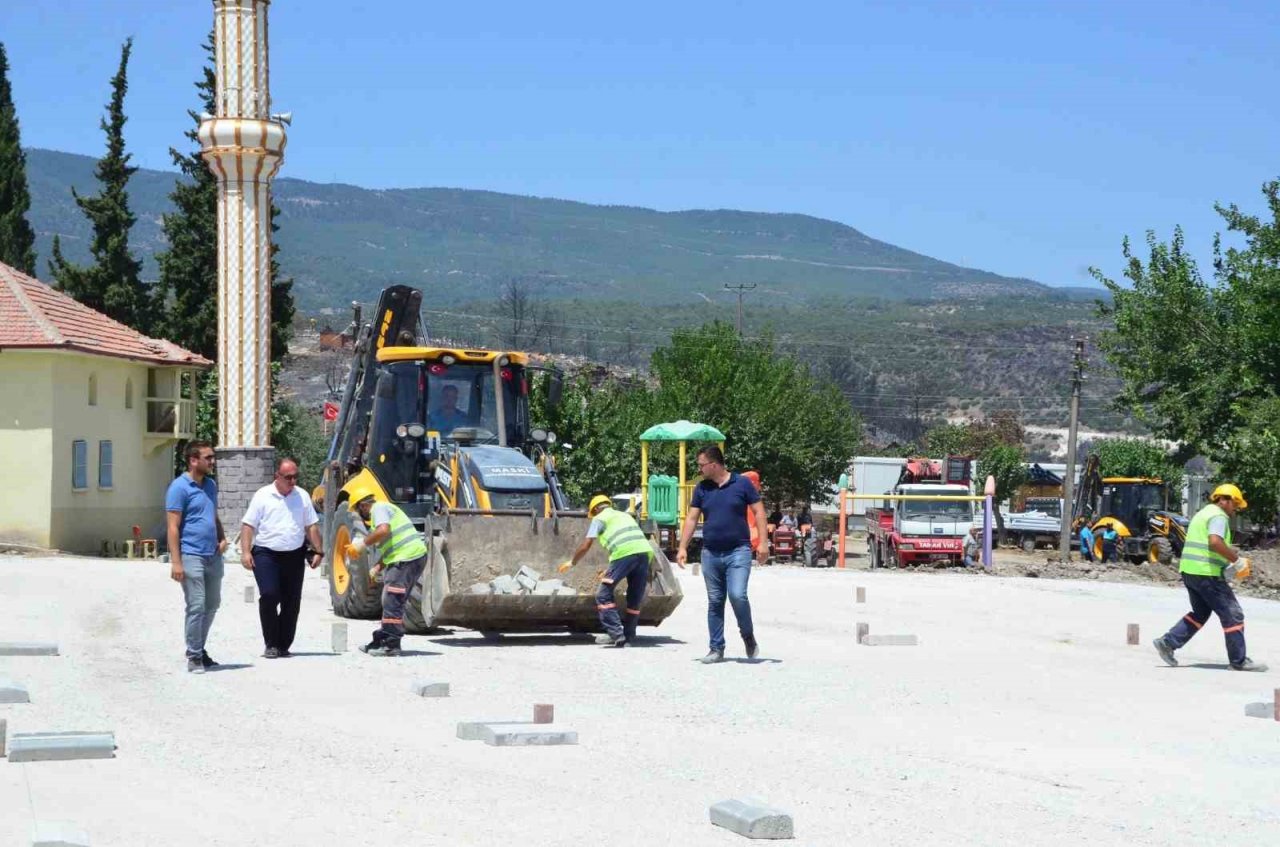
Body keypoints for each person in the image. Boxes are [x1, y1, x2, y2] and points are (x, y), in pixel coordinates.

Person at [1153, 484, 1266, 672]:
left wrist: (1226, 566)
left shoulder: (1203, 513)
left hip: (1190, 571)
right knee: (1233, 614)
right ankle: (1239, 661)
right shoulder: (1218, 516)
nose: (1235, 509)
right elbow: (1214, 542)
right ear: (1225, 500)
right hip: (1206, 574)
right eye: (1235, 504)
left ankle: (1168, 643)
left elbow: (1205, 546)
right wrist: (1237, 561)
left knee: (1200, 614)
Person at [676, 445, 769, 664]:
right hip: (710, 553)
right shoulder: (702, 488)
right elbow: (691, 518)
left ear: (714, 464)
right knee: (715, 601)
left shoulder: (742, 484)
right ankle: (716, 648)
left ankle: (748, 636)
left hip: (739, 551)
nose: (699, 469)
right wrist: (682, 547)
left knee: (737, 595)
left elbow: (759, 511)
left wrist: (763, 543)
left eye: (701, 465)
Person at [240, 458, 323, 659]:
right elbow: (248, 525)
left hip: (294, 555)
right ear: (277, 476)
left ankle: (283, 644)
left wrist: (319, 551)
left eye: (295, 476)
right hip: (266, 553)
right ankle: (271, 642)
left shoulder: (302, 496)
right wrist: (245, 552)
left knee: (291, 601)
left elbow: (311, 525)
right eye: (288, 477)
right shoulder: (262, 496)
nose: (293, 481)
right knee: (269, 595)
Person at [165, 441, 227, 674]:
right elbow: (172, 527)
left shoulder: (210, 485)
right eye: (208, 457)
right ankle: (193, 655)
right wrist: (176, 561)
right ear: (193, 460)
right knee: (196, 605)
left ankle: (199, 649)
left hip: (213, 554)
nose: (212, 461)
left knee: (212, 604)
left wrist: (222, 538)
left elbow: (212, 514)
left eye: (213, 457)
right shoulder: (179, 488)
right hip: (191, 554)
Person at [559, 494, 653, 647]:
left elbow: (586, 544)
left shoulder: (599, 518)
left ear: (596, 509)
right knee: (634, 597)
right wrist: (610, 569)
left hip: (624, 554)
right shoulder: (624, 515)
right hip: (644, 554)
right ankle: (629, 636)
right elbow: (626, 541)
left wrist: (573, 562)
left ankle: (615, 634)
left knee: (603, 595)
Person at [345, 493, 429, 656]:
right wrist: (377, 567)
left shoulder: (379, 508)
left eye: (358, 510)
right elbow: (391, 546)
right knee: (390, 599)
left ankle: (391, 644)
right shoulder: (382, 513)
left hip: (406, 558)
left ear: (363, 506)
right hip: (408, 557)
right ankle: (383, 637)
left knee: (393, 599)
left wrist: (362, 544)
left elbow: (384, 530)